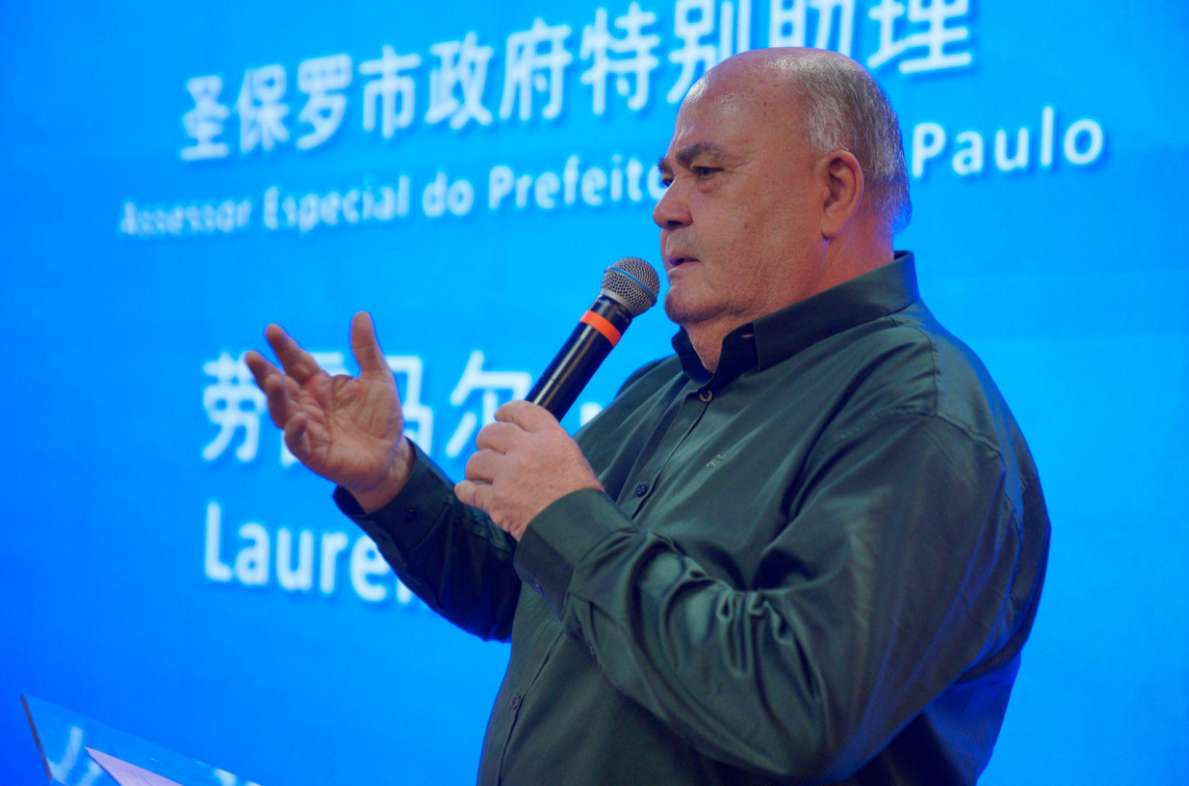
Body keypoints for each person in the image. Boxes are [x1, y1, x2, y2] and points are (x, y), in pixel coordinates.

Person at [245, 48, 1050, 785]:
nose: (665, 209)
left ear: (833, 191)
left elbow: (797, 706)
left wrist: (571, 516)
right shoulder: (665, 385)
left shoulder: (919, 414)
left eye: (705, 172)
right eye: (666, 178)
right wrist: (390, 480)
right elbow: (516, 589)